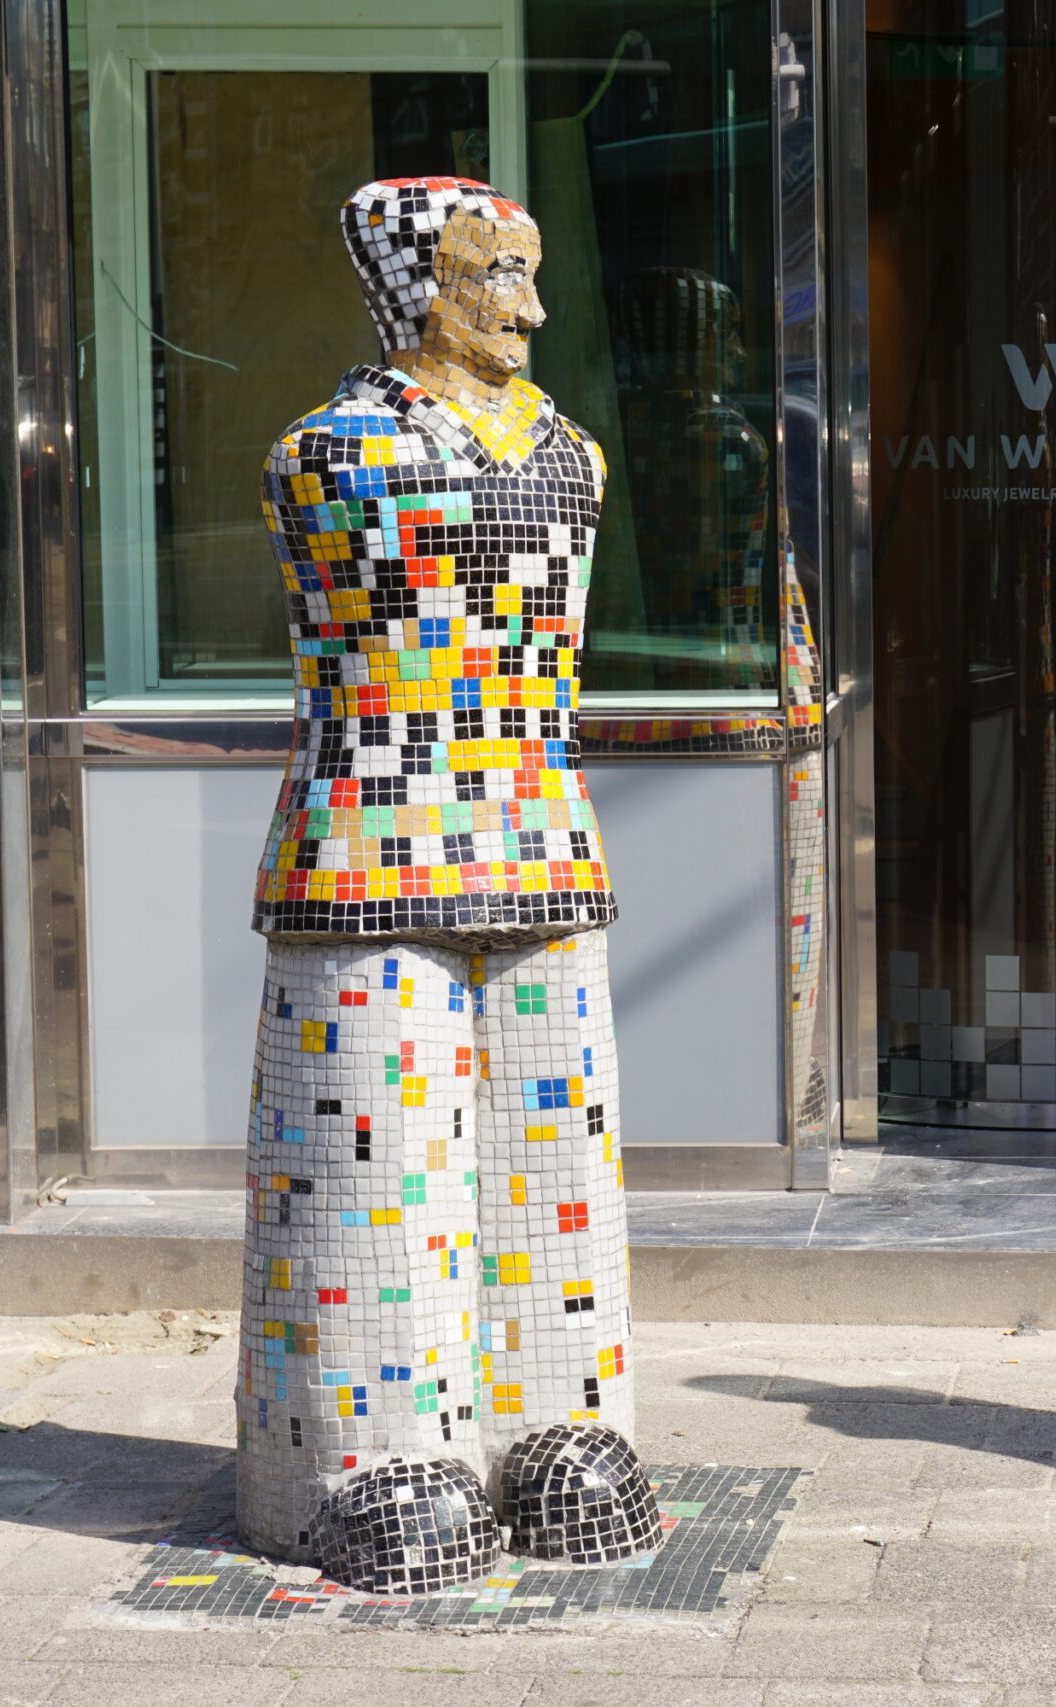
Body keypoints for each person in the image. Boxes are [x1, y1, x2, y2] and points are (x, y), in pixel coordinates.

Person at [235, 176, 659, 1592]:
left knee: (556, 1168)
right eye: (498, 277)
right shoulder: (328, 454)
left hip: (539, 839)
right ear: (415, 282)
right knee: (375, 1164)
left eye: (536, 274)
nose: (529, 309)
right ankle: (375, 1453)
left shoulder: (574, 456)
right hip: (372, 849)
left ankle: (561, 1430)